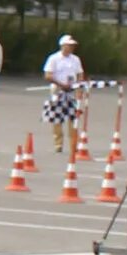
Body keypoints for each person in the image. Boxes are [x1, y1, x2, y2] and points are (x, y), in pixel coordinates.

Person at [42, 32, 87, 163]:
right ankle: (58, 144)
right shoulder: (54, 58)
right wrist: (61, 84)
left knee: (73, 118)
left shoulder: (75, 59)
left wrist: (79, 88)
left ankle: (74, 144)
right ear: (63, 46)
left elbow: (80, 74)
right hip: (58, 90)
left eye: (72, 46)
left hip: (71, 91)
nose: (71, 48)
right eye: (69, 45)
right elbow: (48, 75)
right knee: (57, 118)